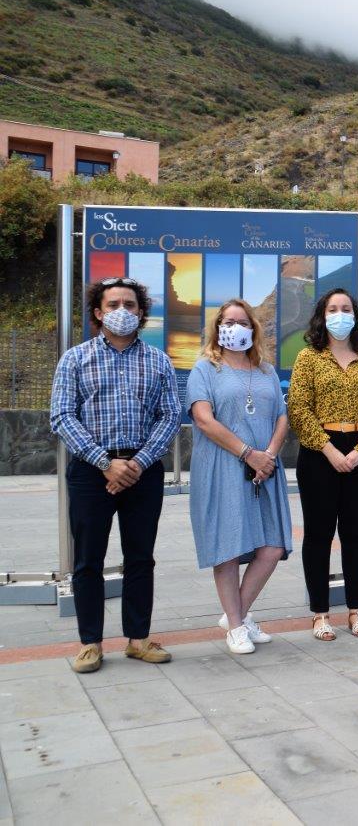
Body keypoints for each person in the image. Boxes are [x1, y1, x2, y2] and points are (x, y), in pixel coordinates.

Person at [50, 277, 180, 673]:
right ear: (97, 312)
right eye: (113, 304)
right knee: (88, 560)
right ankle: (90, 643)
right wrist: (105, 463)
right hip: (91, 472)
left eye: (130, 304)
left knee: (140, 557)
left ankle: (138, 639)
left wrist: (137, 463)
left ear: (141, 313)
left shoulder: (158, 360)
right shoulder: (75, 358)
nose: (121, 311)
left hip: (144, 469)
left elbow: (171, 414)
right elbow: (61, 415)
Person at [187, 299, 291, 655]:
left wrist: (269, 457)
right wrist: (248, 454)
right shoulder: (205, 369)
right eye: (227, 321)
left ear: (253, 327)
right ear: (217, 327)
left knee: (273, 546)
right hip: (223, 467)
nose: (234, 327)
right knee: (228, 547)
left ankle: (237, 614)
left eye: (241, 321)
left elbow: (281, 416)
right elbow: (204, 419)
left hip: (265, 469)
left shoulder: (264, 371)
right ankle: (236, 626)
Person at [287, 289, 358, 639]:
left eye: (346, 309)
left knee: (356, 535)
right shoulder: (308, 358)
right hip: (320, 454)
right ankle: (319, 613)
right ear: (322, 315)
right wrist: (329, 450)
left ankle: (355, 610)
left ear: (356, 317)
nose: (340, 314)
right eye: (333, 309)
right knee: (318, 535)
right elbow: (299, 410)